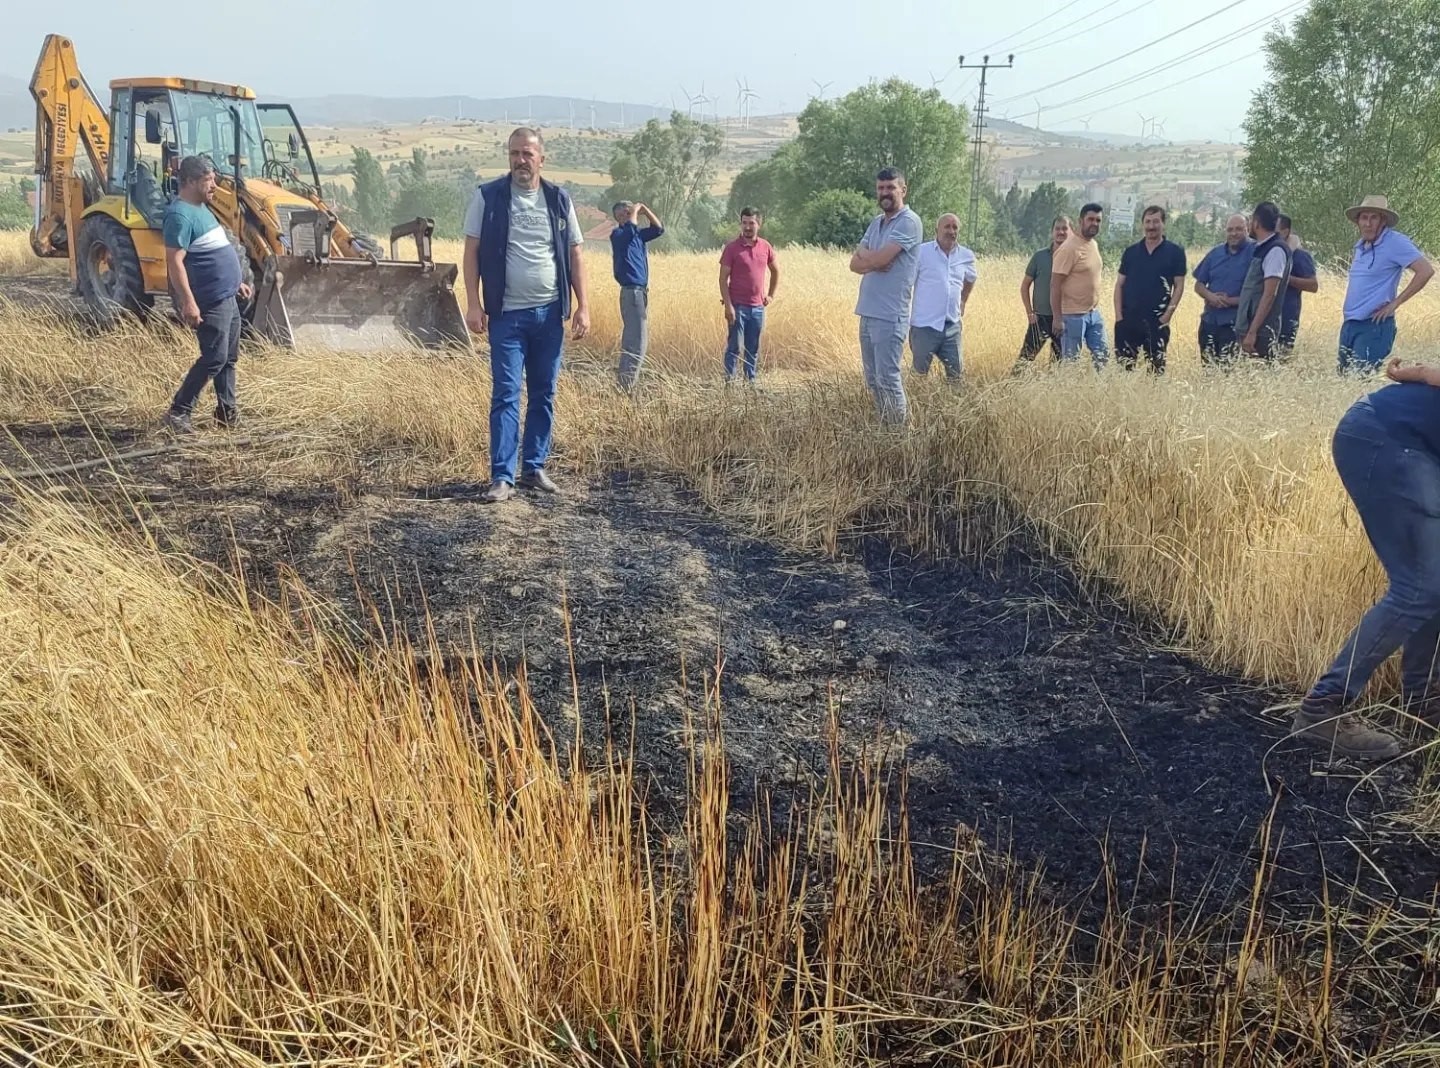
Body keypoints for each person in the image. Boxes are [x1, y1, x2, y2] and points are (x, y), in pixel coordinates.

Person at [1289, 354, 1440, 761]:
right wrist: (1417, 373)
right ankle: (1322, 709)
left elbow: (1432, 373)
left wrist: (1414, 371)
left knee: (1433, 581)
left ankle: (1422, 701)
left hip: (1400, 435)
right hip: (1389, 438)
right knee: (1421, 586)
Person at [462, 127, 590, 503]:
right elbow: (471, 252)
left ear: (541, 159)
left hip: (550, 315)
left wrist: (583, 305)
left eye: (527, 154)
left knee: (544, 392)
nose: (521, 160)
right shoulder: (487, 197)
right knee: (505, 394)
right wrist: (473, 302)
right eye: (515, 153)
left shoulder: (558, 200)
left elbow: (576, 255)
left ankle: (533, 467)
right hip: (506, 316)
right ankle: (502, 477)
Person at [161, 155, 252, 434]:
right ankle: (178, 412)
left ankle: (227, 413)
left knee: (229, 358)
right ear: (189, 182)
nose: (213, 186)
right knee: (214, 358)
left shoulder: (201, 208)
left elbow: (213, 249)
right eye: (207, 181)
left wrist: (236, 282)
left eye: (213, 179)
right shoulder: (180, 215)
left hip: (228, 296)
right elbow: (175, 261)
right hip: (210, 299)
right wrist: (188, 302)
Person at [850, 167, 923, 422]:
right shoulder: (876, 223)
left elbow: (876, 258)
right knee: (873, 380)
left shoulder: (909, 222)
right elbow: (854, 264)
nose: (885, 193)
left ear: (903, 189)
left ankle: (899, 437)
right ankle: (885, 429)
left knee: (889, 379)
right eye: (881, 188)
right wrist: (875, 261)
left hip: (890, 316)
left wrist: (871, 258)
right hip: (868, 311)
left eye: (891, 187)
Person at [1337, 195, 1435, 375]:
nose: (1368, 223)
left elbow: (1426, 270)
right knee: (1343, 381)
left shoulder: (1395, 242)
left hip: (1374, 325)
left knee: (1359, 380)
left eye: (1374, 217)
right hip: (1350, 323)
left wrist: (1394, 303)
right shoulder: (1361, 246)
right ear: (1358, 221)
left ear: (1383, 221)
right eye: (1364, 218)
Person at [1112, 205, 1186, 374]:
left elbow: (1179, 286)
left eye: (1155, 222)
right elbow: (1119, 285)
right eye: (1147, 222)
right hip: (1128, 321)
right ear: (1142, 225)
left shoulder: (1175, 252)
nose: (1151, 226)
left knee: (1155, 372)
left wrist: (1167, 316)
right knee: (1124, 372)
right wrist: (1119, 317)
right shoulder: (1131, 252)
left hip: (1157, 322)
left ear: (1163, 224)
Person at [909, 212, 976, 382]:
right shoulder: (921, 252)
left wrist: (963, 300)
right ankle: (918, 407)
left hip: (952, 327)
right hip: (924, 326)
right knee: (918, 377)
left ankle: (954, 408)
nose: (951, 231)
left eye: (955, 228)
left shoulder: (966, 256)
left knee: (957, 378)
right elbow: (907, 282)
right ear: (936, 229)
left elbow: (970, 279)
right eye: (947, 227)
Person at [718, 207, 779, 383]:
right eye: (744, 223)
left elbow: (775, 272)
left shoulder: (765, 247)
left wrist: (771, 295)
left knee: (753, 347)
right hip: (737, 307)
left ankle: (750, 382)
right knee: (734, 347)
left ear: (758, 224)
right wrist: (728, 306)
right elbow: (723, 279)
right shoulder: (731, 248)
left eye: (751, 223)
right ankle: (729, 384)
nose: (747, 227)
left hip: (758, 308)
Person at [610, 201, 664, 392]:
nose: (631, 215)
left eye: (630, 212)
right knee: (638, 341)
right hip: (631, 292)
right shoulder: (619, 235)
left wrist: (645, 209)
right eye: (625, 213)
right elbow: (631, 226)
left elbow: (658, 228)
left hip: (639, 292)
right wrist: (635, 211)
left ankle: (625, 383)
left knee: (633, 339)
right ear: (619, 217)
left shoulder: (638, 236)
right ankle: (627, 387)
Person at [1050, 202, 1109, 369]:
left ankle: (1100, 393)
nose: (1094, 224)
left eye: (1098, 220)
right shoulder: (1069, 249)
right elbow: (1055, 285)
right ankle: (1069, 393)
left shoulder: (1093, 245)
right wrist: (1057, 318)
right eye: (1090, 219)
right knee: (1071, 363)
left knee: (1103, 356)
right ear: (1080, 221)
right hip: (1072, 316)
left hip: (1093, 314)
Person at [1233, 201, 1291, 362]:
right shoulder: (1265, 248)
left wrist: (1252, 332)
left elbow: (1269, 294)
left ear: (1256, 223)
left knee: (1259, 378)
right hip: (1253, 329)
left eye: (1251, 221)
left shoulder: (1275, 250)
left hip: (1261, 333)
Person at [1192, 213, 1253, 366]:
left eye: (1239, 229)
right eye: (1230, 229)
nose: (1234, 233)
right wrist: (1211, 297)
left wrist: (1230, 301)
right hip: (1209, 323)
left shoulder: (1255, 253)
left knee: (1231, 376)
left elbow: (1260, 293)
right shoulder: (1215, 253)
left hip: (1237, 327)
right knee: (1208, 373)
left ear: (1247, 229)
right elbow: (1198, 285)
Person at [1012, 215, 1070, 372]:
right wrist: (1029, 312)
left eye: (1065, 228)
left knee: (1058, 366)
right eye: (1057, 228)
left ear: (1070, 232)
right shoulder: (1040, 257)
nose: (1061, 232)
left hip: (1064, 319)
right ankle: (1011, 390)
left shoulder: (1075, 258)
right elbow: (1025, 286)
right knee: (1024, 361)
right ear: (1052, 232)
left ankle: (1051, 394)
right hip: (1040, 318)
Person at [1276, 213, 1318, 354]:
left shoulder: (1300, 256)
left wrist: (1285, 278)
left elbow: (1313, 285)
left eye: (1275, 231)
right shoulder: (1268, 252)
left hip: (1287, 317)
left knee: (1282, 358)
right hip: (1265, 319)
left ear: (1285, 232)